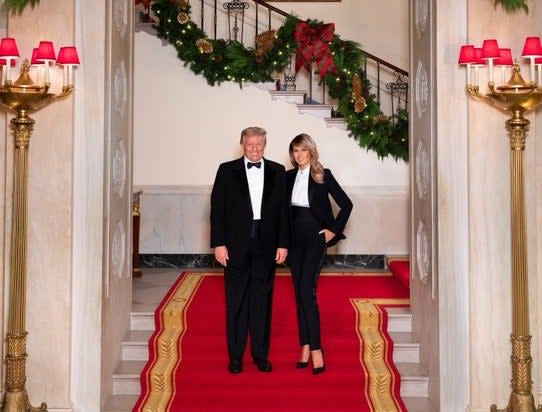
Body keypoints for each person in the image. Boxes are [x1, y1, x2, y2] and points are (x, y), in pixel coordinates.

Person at [210, 126, 289, 374]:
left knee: (262, 303)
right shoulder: (226, 170)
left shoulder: (278, 171)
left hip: (266, 246)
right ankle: (235, 356)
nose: (254, 149)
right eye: (250, 145)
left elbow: (284, 213)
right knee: (235, 303)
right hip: (235, 246)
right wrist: (219, 244)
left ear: (265, 146)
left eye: (259, 145)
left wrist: (283, 243)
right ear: (242, 144)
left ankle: (260, 355)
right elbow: (217, 210)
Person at [286, 133, 352, 375]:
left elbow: (347, 204)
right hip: (294, 242)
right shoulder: (288, 177)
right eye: (295, 151)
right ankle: (304, 345)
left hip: (315, 239)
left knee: (306, 291)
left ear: (311, 152)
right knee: (298, 293)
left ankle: (316, 349)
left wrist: (333, 231)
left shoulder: (324, 175)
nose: (299, 155)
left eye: (303, 150)